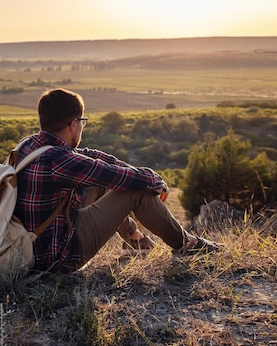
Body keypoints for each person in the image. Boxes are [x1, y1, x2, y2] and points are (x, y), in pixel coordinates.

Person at [14, 88, 220, 273]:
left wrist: (137, 171)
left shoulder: (29, 146)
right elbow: (112, 176)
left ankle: (135, 239)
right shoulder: (59, 160)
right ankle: (188, 245)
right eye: (82, 122)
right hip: (57, 257)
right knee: (134, 190)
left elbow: (91, 157)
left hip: (32, 244)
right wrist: (153, 181)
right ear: (74, 124)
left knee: (102, 182)